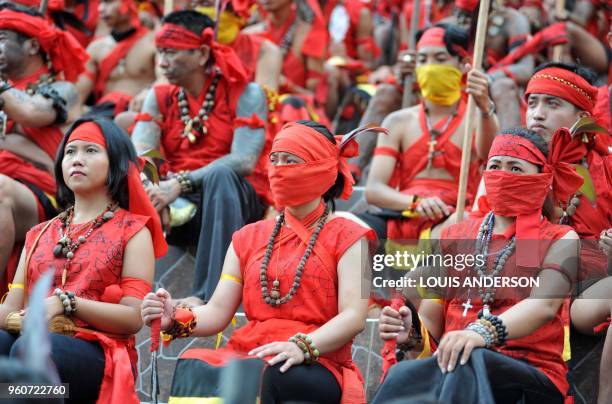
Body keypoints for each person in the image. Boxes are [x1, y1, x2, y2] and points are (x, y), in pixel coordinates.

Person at [141, 120, 374, 403]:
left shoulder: (354, 237)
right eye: (274, 159)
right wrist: (173, 319)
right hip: (252, 354)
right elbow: (216, 311)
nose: (278, 168)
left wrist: (302, 346)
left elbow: (355, 316)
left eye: (290, 160)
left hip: (318, 360)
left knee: (271, 372)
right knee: (194, 363)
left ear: (321, 166)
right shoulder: (246, 237)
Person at [375, 128, 580, 403]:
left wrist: (479, 333)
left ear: (542, 178)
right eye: (495, 166)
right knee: (403, 375)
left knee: (471, 358)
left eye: (515, 168)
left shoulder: (561, 238)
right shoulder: (455, 236)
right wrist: (412, 333)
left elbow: (543, 306)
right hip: (460, 362)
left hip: (531, 371)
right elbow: (433, 323)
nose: (502, 174)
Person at [0, 118, 167, 403]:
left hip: (101, 357)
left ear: (115, 162)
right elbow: (8, 312)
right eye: (70, 152)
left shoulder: (134, 231)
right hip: (40, 350)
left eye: (91, 151)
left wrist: (67, 304)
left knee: (30, 350)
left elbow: (132, 318)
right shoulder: (38, 234)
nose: (77, 159)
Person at [131, 10, 269, 305]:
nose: (162, 63)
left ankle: (211, 296)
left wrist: (180, 183)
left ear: (203, 53)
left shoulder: (246, 92)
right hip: (175, 199)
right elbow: (143, 150)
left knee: (221, 176)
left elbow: (244, 160)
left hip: (234, 200)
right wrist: (155, 190)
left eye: (171, 53)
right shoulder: (160, 94)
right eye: (160, 52)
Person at [360, 24, 497, 252]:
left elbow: (488, 155)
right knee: (346, 229)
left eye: (440, 58)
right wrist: (416, 202)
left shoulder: (480, 118)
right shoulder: (397, 121)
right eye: (423, 60)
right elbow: (374, 189)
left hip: (452, 220)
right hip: (401, 217)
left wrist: (484, 107)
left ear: (463, 66)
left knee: (461, 226)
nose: (430, 67)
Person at [0, 2, 86, 290]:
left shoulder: (65, 90)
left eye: (1, 39)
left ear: (33, 46)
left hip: (48, 197)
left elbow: (30, 112)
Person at [76, 0, 157, 117]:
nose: (101, 9)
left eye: (108, 2)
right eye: (100, 3)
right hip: (103, 115)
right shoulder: (96, 49)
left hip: (141, 116)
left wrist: (149, 92)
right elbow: (78, 98)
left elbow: (164, 81)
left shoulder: (154, 43)